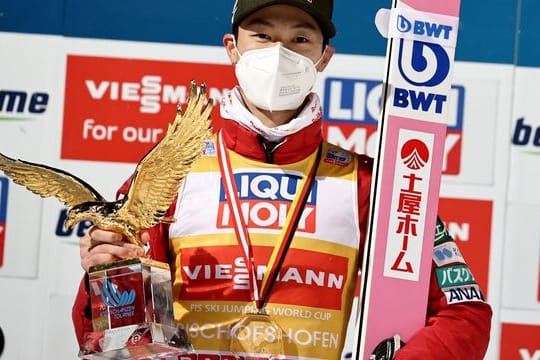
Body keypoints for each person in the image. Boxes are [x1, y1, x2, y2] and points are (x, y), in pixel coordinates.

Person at [72, 0, 492, 359]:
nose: (279, 53)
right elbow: (110, 329)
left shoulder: (368, 184)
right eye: (263, 35)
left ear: (324, 57)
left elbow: (465, 312)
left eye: (299, 39)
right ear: (232, 48)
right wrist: (107, 278)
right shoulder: (170, 174)